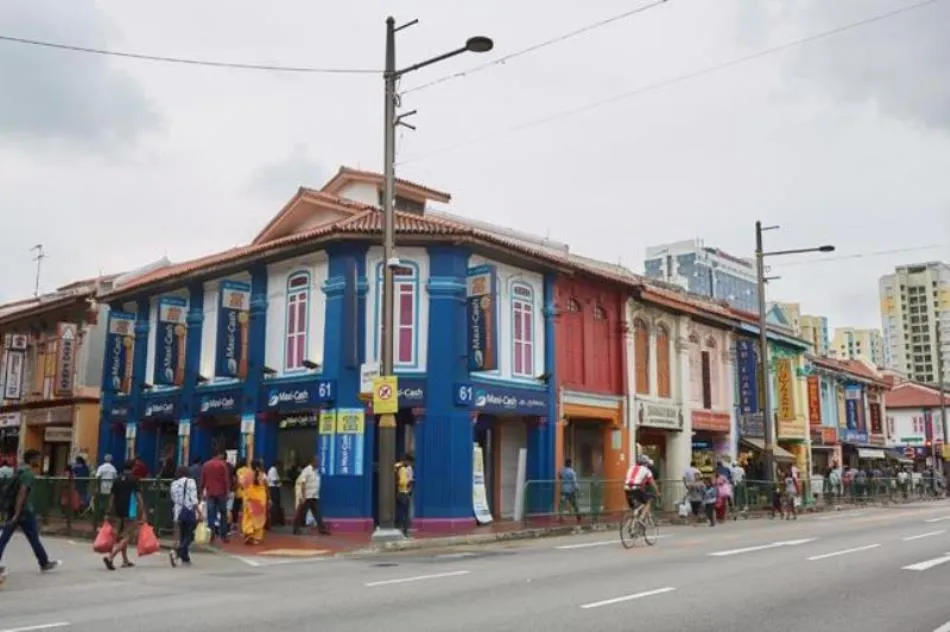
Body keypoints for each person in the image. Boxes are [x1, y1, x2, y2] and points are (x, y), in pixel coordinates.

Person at [0, 449, 61, 581]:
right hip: (24, 511)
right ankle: (44, 562)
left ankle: (44, 561)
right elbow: (22, 494)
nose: (38, 461)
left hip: (13, 510)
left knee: (5, 537)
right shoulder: (27, 474)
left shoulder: (18, 471)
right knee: (33, 537)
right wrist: (17, 513)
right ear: (32, 459)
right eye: (37, 458)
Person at [103, 460, 147, 570]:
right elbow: (138, 497)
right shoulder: (133, 479)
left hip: (118, 509)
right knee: (127, 535)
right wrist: (143, 512)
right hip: (130, 510)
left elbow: (112, 496)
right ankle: (111, 557)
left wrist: (108, 511)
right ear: (132, 468)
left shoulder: (117, 479)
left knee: (122, 534)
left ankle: (125, 560)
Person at [169, 466, 199, 567]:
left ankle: (185, 558)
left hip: (178, 511)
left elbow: (173, 498)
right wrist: (199, 512)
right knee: (190, 534)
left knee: (183, 534)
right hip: (188, 510)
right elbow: (194, 498)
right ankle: (177, 552)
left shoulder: (174, 483)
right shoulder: (190, 481)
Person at [294, 456, 330, 535]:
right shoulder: (307, 470)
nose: (318, 463)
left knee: (317, 513)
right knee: (301, 513)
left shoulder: (316, 471)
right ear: (312, 462)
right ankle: (296, 529)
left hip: (314, 496)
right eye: (317, 461)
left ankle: (322, 529)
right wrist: (303, 496)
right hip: (307, 496)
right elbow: (303, 483)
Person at [200, 451, 231, 543]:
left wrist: (201, 492)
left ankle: (211, 535)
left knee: (211, 515)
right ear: (219, 455)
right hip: (221, 492)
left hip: (210, 492)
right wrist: (227, 491)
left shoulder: (206, 465)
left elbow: (203, 479)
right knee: (223, 514)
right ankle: (223, 535)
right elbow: (226, 480)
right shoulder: (222, 465)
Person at [624, 455, 659, 522]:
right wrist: (657, 492)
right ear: (646, 463)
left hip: (627, 488)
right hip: (636, 488)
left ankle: (632, 524)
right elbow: (652, 483)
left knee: (634, 507)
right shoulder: (646, 470)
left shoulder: (630, 468)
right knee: (648, 501)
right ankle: (641, 518)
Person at [241, 460, 269, 545]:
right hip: (260, 499)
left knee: (248, 516)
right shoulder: (263, 475)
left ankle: (248, 532)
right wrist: (269, 498)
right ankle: (256, 537)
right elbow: (267, 487)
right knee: (258, 517)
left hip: (249, 498)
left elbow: (242, 486)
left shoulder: (246, 474)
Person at [395, 454, 415, 536]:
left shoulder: (397, 466)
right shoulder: (405, 469)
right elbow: (405, 482)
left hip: (398, 492)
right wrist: (409, 484)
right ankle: (405, 531)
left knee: (400, 511)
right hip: (404, 492)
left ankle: (399, 528)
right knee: (405, 513)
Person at [558, 458, 582, 523]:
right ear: (570, 464)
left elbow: (559, 476)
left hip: (564, 490)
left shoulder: (562, 470)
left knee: (562, 504)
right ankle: (578, 515)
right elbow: (574, 482)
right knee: (575, 504)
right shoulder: (572, 472)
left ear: (565, 463)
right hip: (571, 491)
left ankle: (561, 516)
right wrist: (578, 489)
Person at [266, 461, 283, 528]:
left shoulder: (273, 470)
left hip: (274, 488)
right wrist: (280, 480)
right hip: (273, 488)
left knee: (276, 504)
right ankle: (273, 520)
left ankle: (275, 520)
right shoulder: (273, 470)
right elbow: (274, 481)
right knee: (275, 504)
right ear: (277, 465)